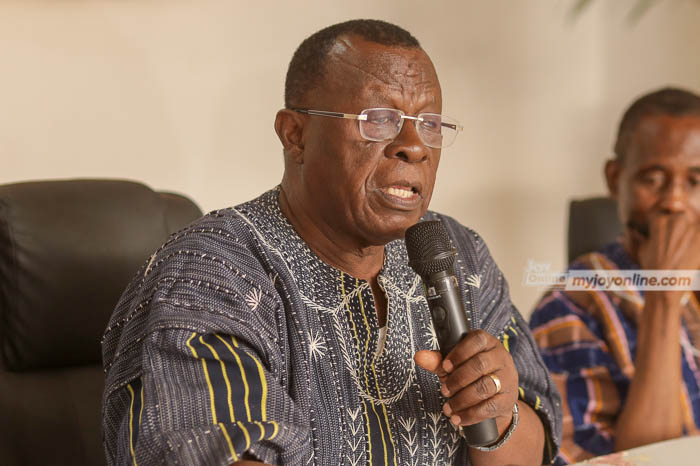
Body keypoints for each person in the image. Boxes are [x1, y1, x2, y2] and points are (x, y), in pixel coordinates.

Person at [102, 19, 561, 465]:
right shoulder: (212, 274)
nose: (415, 146)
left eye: (430, 124)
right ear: (295, 135)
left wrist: (498, 416)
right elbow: (210, 450)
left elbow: (535, 450)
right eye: (378, 119)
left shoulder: (458, 253)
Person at [530, 87, 700, 464]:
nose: (675, 201)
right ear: (614, 179)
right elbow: (639, 461)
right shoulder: (568, 308)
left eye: (695, 181)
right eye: (653, 179)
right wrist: (663, 296)